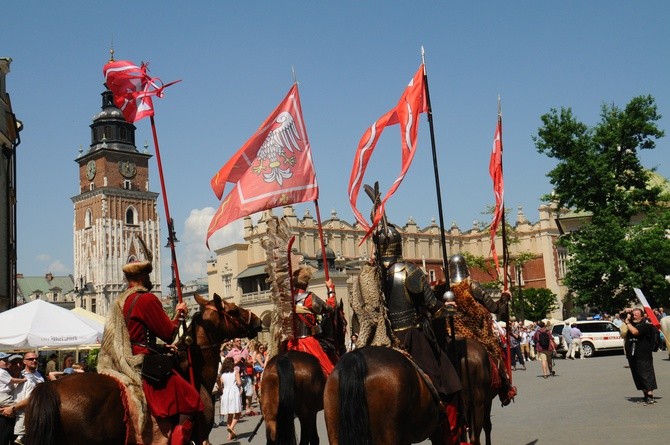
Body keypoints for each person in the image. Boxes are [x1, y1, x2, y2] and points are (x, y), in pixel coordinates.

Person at [97, 256, 203, 445]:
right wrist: (179, 315)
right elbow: (168, 332)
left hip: (125, 357)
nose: (149, 278)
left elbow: (135, 336)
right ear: (142, 276)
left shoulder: (122, 301)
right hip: (140, 360)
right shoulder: (146, 299)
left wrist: (160, 347)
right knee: (191, 398)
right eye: (147, 274)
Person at [373, 223, 463, 444]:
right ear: (399, 244)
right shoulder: (410, 272)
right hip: (412, 337)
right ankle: (447, 423)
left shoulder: (372, 274)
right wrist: (449, 306)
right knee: (447, 380)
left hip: (382, 338)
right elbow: (434, 307)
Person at [447, 254, 516, 405]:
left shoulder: (444, 288)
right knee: (496, 353)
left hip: (450, 334)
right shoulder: (473, 286)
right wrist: (505, 297)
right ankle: (505, 389)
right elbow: (495, 309)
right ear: (465, 268)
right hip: (476, 333)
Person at [284, 266, 337, 377]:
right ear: (307, 283)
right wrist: (331, 289)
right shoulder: (309, 298)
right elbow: (331, 308)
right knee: (329, 372)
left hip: (290, 342)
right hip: (306, 341)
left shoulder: (286, 299)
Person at [6, 353, 45, 444]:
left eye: (36, 359)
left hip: (38, 414)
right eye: (31, 359)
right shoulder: (19, 375)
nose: (34, 360)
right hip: (19, 414)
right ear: (24, 361)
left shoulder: (41, 374)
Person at [622, 308, 658, 405]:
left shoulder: (645, 326)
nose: (634, 316)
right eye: (633, 314)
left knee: (646, 375)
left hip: (643, 355)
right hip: (632, 355)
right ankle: (645, 396)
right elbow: (622, 333)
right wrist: (625, 316)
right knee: (637, 376)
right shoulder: (630, 325)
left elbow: (635, 332)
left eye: (636, 314)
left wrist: (627, 323)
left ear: (642, 316)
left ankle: (650, 396)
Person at [218, 357, 242, 441]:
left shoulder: (222, 375)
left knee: (229, 414)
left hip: (226, 392)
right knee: (238, 413)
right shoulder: (235, 372)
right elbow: (239, 383)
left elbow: (220, 386)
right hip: (234, 391)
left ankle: (230, 435)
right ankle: (231, 427)